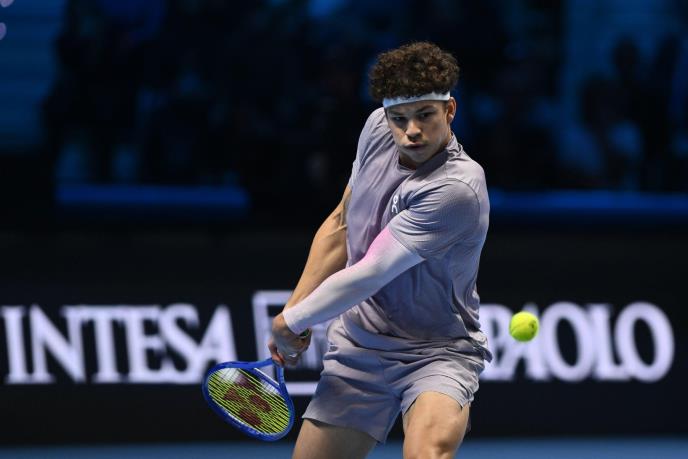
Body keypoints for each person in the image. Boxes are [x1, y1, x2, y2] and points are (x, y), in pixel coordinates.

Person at [269, 41, 492, 459]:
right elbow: (341, 224)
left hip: (435, 351)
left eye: (425, 115)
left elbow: (372, 270)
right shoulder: (376, 129)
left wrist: (294, 320)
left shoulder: (457, 187)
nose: (411, 131)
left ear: (449, 110)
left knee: (427, 454)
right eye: (399, 118)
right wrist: (294, 310)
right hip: (359, 346)